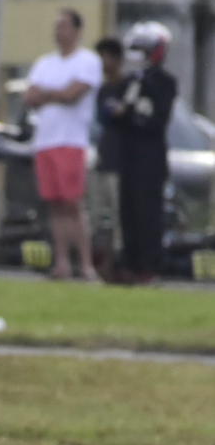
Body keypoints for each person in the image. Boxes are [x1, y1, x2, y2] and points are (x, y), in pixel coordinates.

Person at [24, 9, 102, 281]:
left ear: (77, 30)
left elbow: (74, 94)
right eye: (57, 26)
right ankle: (61, 264)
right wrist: (53, 94)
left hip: (70, 141)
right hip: (45, 141)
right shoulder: (45, 63)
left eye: (65, 26)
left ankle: (85, 263)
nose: (59, 31)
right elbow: (30, 96)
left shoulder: (87, 61)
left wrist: (49, 93)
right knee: (55, 204)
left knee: (72, 203)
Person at [104, 21, 177, 282]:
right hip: (130, 156)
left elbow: (156, 120)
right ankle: (130, 263)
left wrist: (131, 114)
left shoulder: (163, 82)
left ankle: (149, 265)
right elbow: (113, 116)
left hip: (150, 157)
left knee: (148, 212)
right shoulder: (130, 82)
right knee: (129, 211)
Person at [92, 36, 126, 275]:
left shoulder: (127, 86)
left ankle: (119, 263)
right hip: (103, 156)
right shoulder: (104, 90)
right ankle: (96, 262)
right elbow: (103, 118)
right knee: (94, 214)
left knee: (118, 218)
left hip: (120, 160)